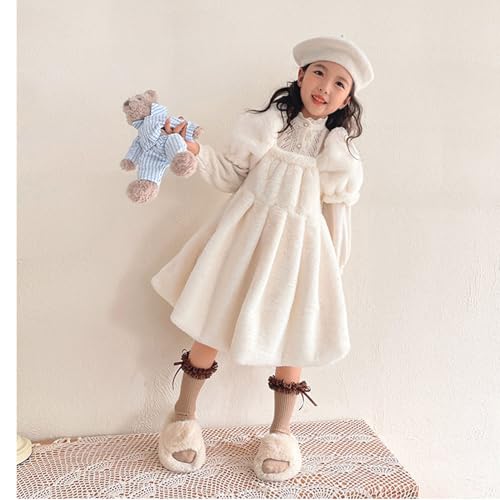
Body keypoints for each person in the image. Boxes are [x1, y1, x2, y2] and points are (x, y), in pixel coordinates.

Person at [151, 35, 374, 482]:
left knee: (292, 340)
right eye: (319, 73)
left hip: (298, 257)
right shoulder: (265, 129)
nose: (325, 87)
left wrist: (331, 269)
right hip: (244, 245)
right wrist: (194, 150)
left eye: (340, 83)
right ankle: (183, 415)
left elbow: (337, 215)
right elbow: (231, 175)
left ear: (347, 99)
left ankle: (281, 433)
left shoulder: (337, 155)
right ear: (300, 75)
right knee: (210, 325)